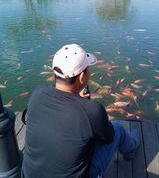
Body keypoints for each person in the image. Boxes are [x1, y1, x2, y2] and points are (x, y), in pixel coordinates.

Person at [22, 44, 140, 178]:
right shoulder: (92, 110)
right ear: (82, 77)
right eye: (88, 69)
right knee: (118, 129)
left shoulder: (38, 93)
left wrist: (78, 100)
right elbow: (108, 138)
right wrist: (87, 106)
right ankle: (132, 148)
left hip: (29, 174)